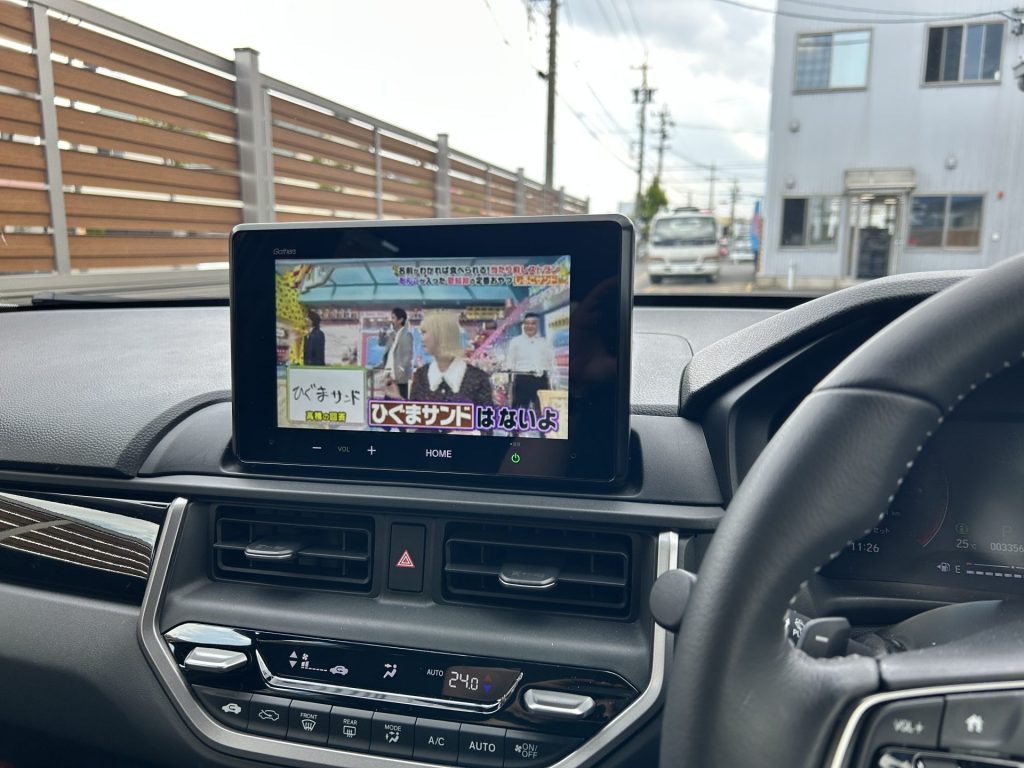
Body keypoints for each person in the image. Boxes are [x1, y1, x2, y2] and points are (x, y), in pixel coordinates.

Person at [385, 310, 492, 409]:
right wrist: (398, 399)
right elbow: (415, 418)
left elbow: (486, 420)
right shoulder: (421, 376)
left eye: (424, 332)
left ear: (440, 334)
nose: (421, 338)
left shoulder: (479, 379)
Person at [505, 312, 558, 414]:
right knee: (519, 411)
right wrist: (509, 384)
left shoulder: (545, 342)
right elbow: (510, 363)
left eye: (533, 323)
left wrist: (552, 383)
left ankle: (542, 423)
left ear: (537, 325)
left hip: (541, 380)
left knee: (542, 410)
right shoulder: (515, 342)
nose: (530, 326)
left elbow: (551, 363)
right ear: (524, 325)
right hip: (522, 379)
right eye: (527, 323)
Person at [377, 307, 413, 399]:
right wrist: (382, 333)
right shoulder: (392, 335)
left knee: (399, 404)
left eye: (393, 318)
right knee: (388, 404)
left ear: (400, 320)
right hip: (389, 377)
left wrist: (399, 373)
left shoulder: (406, 335)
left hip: (400, 380)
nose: (391, 320)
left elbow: (407, 357)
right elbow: (381, 343)